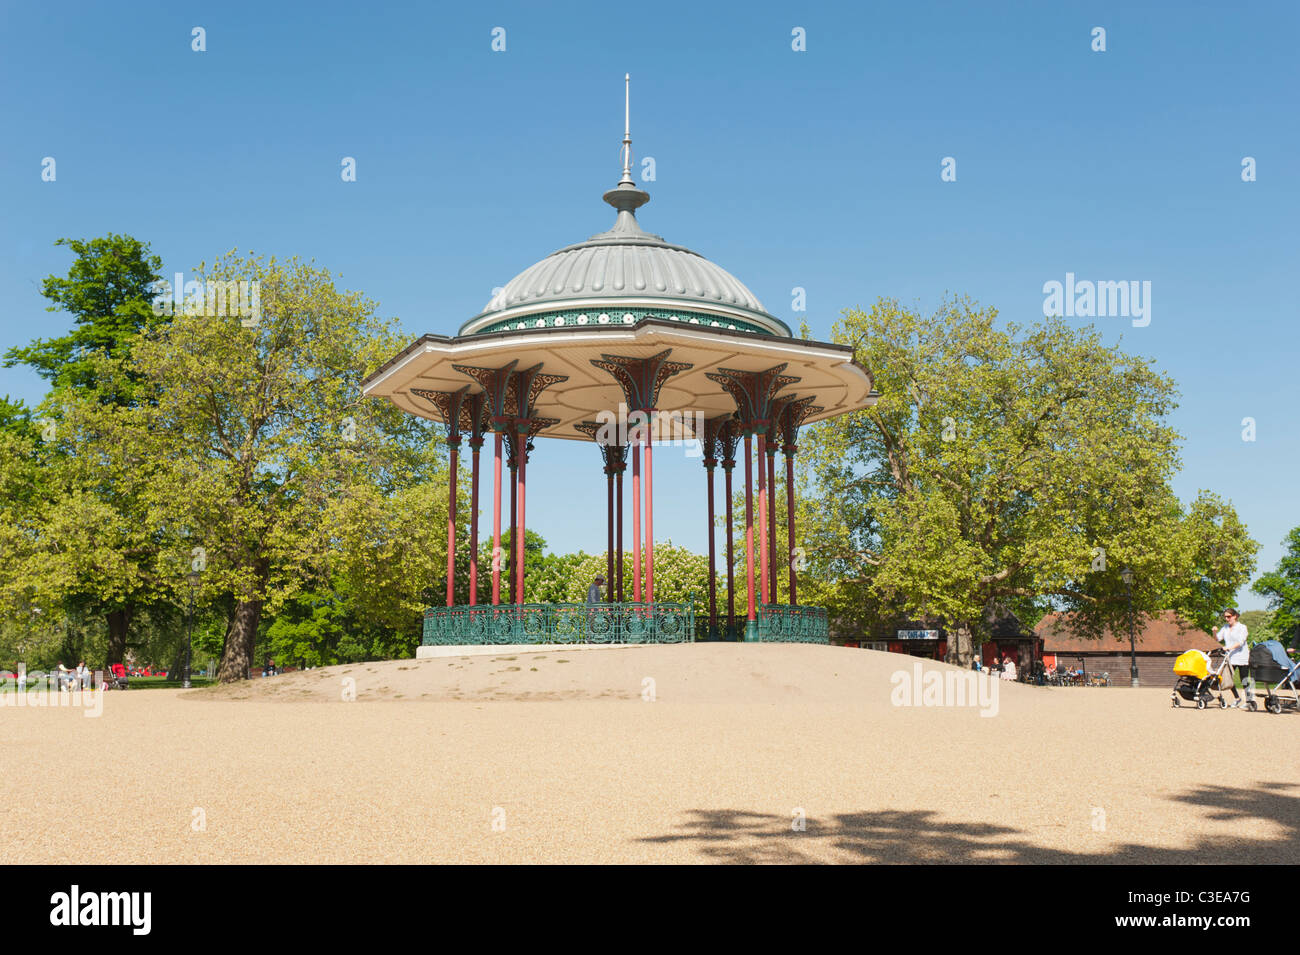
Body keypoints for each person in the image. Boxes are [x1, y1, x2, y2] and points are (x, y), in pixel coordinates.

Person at [1215, 608, 1250, 708]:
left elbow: (1241, 642)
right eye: (1225, 617)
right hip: (1230, 657)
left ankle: (1248, 701)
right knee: (1228, 679)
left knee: (1244, 679)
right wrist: (1214, 632)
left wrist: (1227, 647)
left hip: (1242, 657)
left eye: (1228, 616)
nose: (1227, 619)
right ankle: (1237, 698)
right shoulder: (1225, 627)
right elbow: (1217, 639)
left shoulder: (1242, 627)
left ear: (1235, 616)